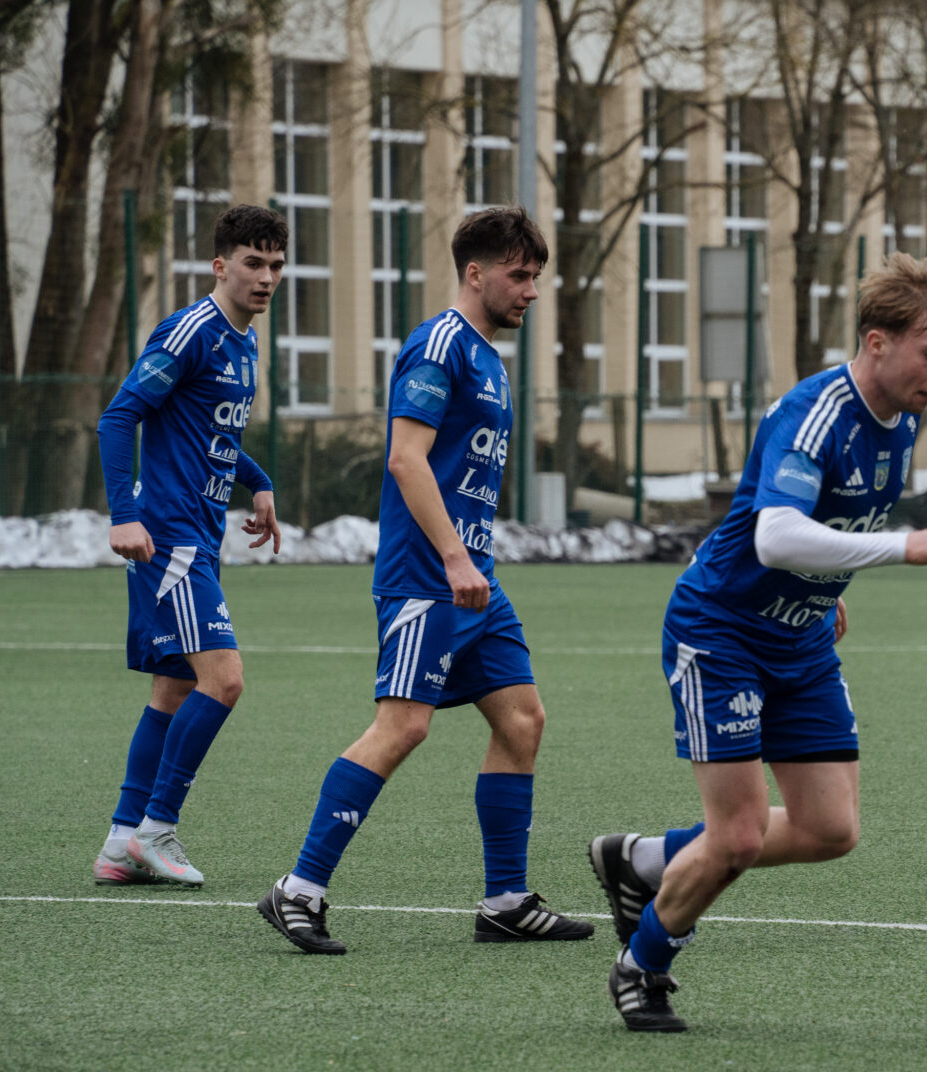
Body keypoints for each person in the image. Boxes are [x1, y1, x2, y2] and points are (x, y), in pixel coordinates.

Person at [588, 254, 927, 1030]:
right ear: (877, 342)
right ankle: (643, 963)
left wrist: (827, 591)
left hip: (800, 639)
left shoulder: (903, 417)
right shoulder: (816, 414)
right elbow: (775, 535)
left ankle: (643, 859)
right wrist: (905, 546)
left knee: (830, 829)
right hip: (722, 631)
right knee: (736, 836)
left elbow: (830, 525)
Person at [256, 207, 593, 954]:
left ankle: (505, 902)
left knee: (522, 721)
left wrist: (470, 560)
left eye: (536, 276)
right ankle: (298, 889)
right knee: (403, 726)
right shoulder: (439, 345)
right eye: (519, 275)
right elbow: (406, 459)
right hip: (427, 578)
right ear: (475, 273)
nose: (531, 291)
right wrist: (453, 557)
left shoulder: (489, 359)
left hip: (474, 580)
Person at [93, 204, 287, 889]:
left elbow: (212, 435)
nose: (266, 277)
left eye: (276, 265)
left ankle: (121, 843)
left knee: (174, 687)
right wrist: (124, 517)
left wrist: (258, 482)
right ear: (220, 265)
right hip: (170, 536)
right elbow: (119, 418)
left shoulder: (244, 342)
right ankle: (156, 828)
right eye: (253, 263)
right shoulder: (192, 331)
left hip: (199, 536)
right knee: (223, 680)